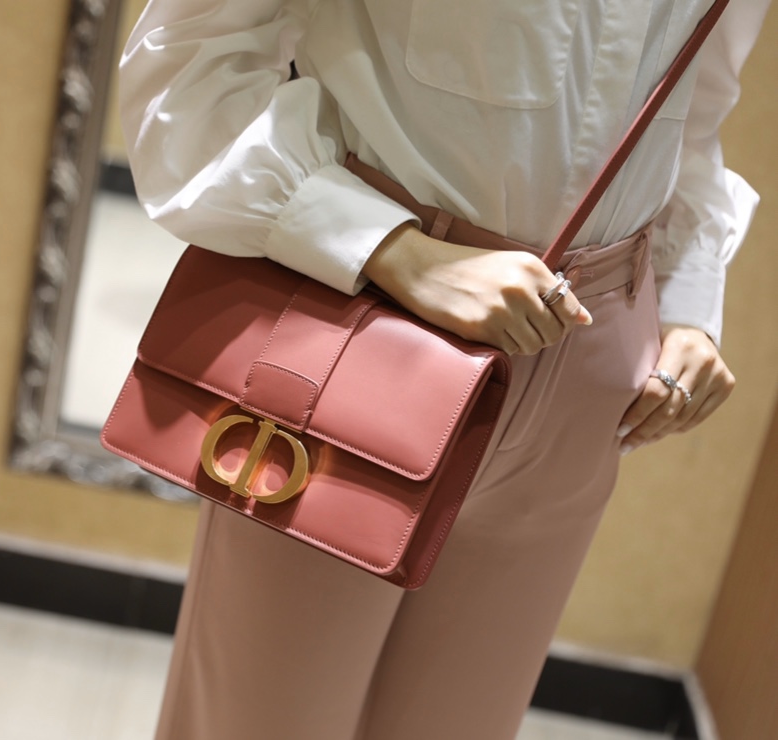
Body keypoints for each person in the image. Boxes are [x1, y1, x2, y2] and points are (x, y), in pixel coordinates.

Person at [118, 1, 769, 737]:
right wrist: (398, 253)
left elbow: (693, 105)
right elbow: (190, 55)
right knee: (255, 722)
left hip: (590, 365)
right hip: (371, 331)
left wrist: (686, 298)